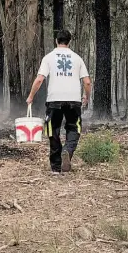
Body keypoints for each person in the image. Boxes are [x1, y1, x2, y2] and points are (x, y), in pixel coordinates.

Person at [26, 29, 91, 174]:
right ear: (70, 41)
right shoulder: (77, 58)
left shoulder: (48, 58)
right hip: (74, 100)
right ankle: (67, 150)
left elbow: (39, 79)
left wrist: (31, 96)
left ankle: (56, 167)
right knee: (74, 127)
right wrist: (86, 96)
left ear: (56, 40)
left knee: (52, 130)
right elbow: (87, 82)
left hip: (54, 100)